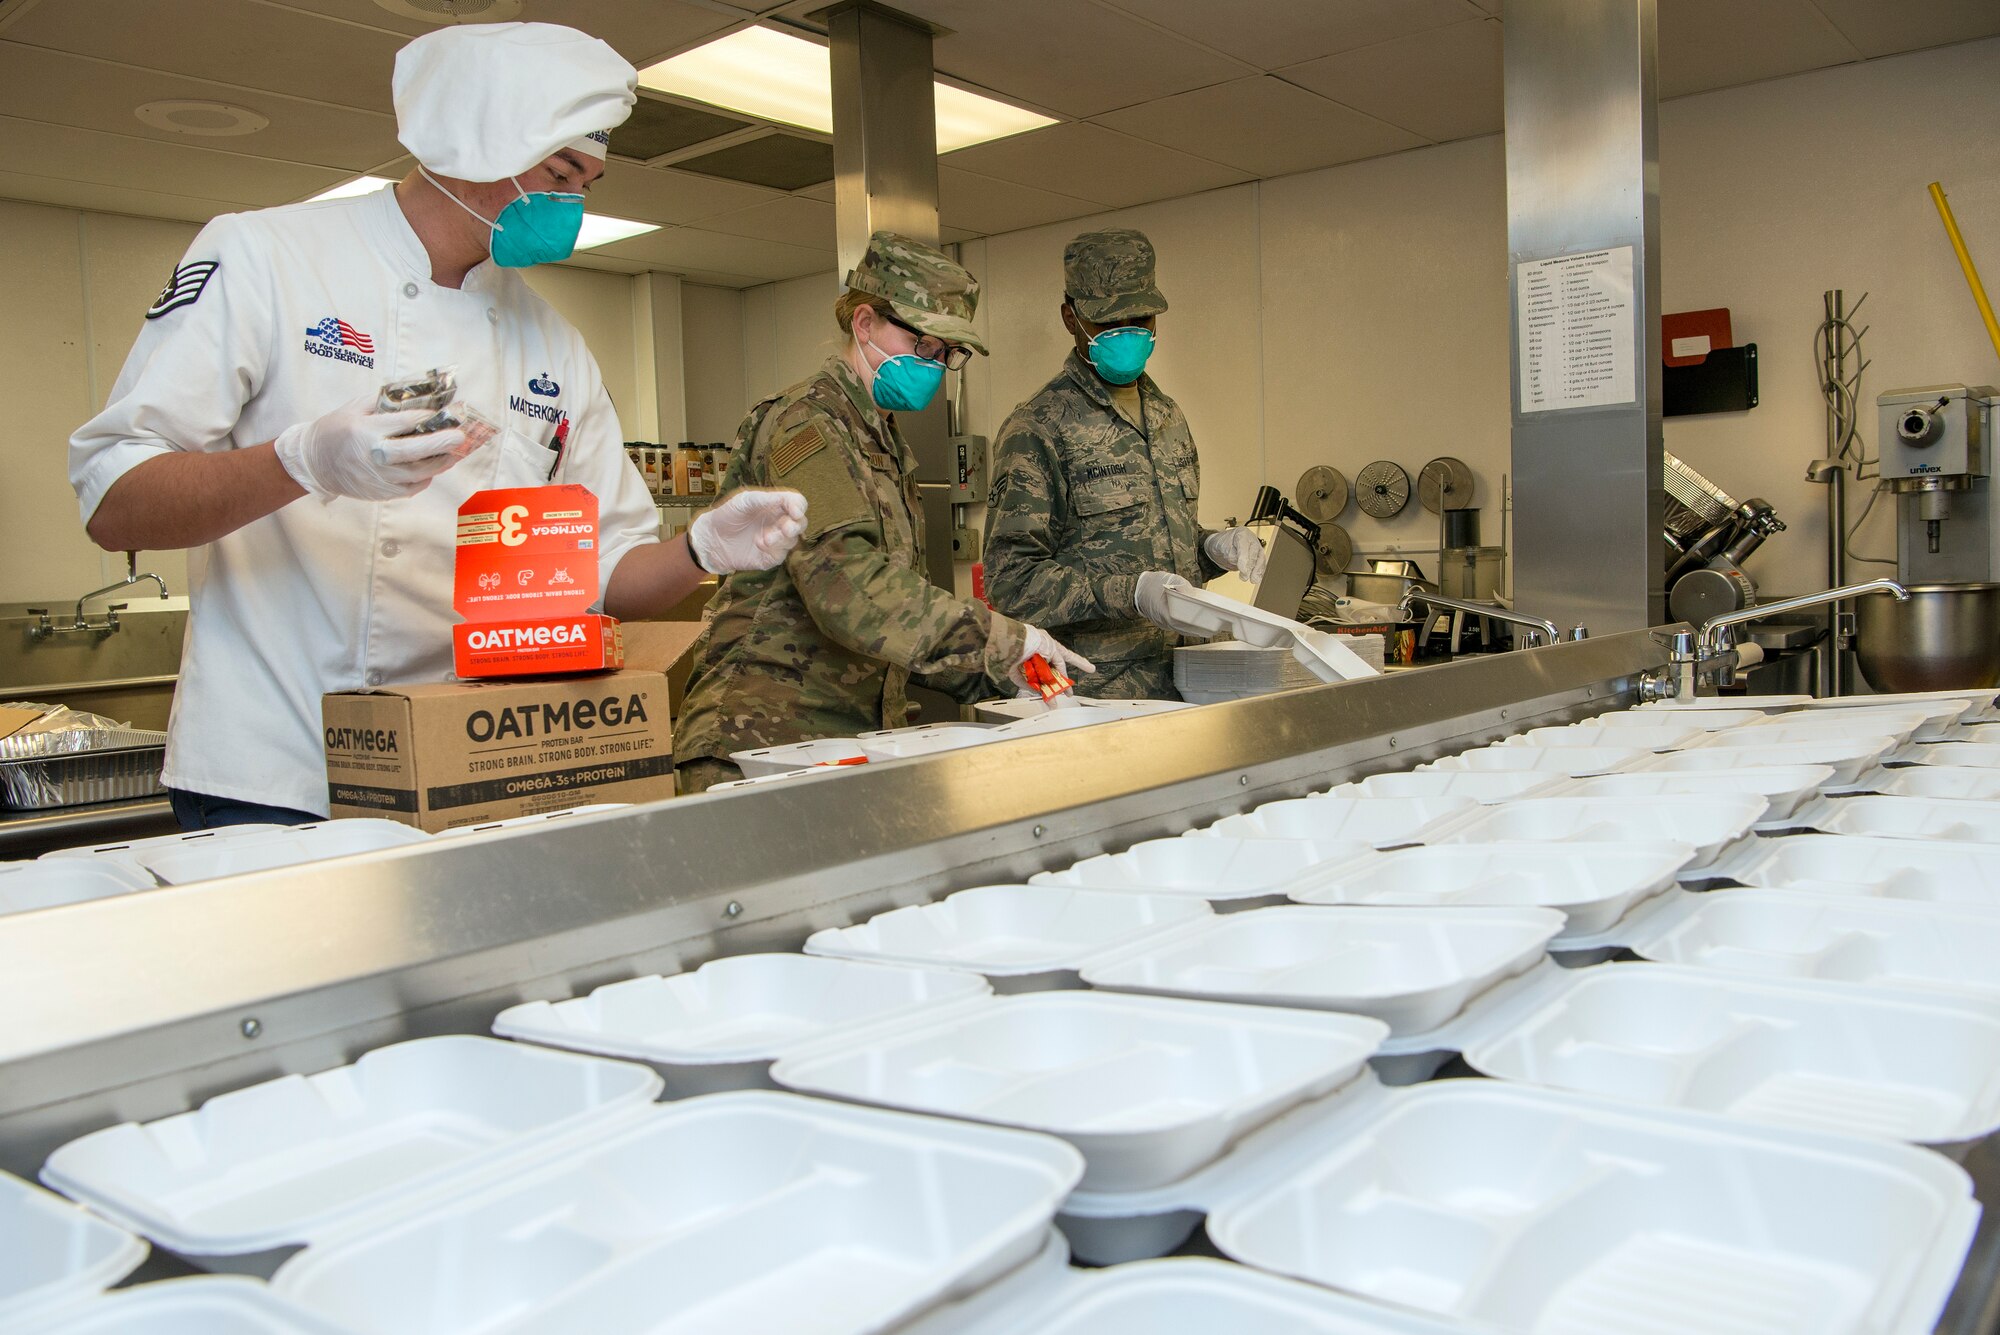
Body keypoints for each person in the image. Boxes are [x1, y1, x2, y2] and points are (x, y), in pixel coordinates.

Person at [69, 22, 806, 830]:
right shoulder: (267, 257)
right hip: (273, 774)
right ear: (473, 140)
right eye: (560, 173)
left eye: (588, 183)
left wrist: (699, 551)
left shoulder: (552, 343)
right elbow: (116, 499)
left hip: (464, 767)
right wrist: (303, 459)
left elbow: (602, 573)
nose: (572, 206)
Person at [674, 233, 1091, 794]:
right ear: (864, 323)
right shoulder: (810, 427)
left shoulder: (883, 444)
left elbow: (895, 615)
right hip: (761, 739)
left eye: (948, 354)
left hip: (840, 739)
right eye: (924, 347)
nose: (937, 365)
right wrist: (1001, 643)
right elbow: (849, 589)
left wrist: (1001, 672)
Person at [982, 228, 1267, 700]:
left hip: (1189, 678)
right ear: (1070, 318)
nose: (1127, 334)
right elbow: (1010, 580)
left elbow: (1160, 547)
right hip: (1098, 690)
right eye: (1109, 323)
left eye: (1139, 318)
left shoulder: (1167, 415)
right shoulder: (1038, 427)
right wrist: (1128, 592)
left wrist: (1214, 548)